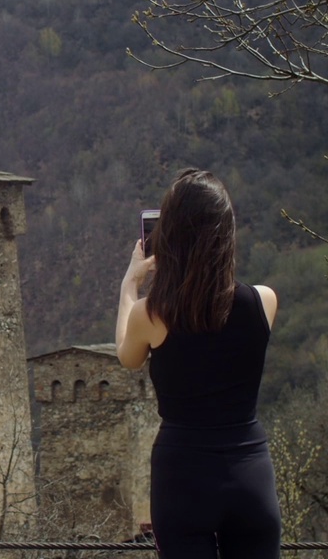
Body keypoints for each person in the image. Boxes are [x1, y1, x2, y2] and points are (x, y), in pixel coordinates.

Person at [115, 168, 282, 559]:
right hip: (250, 471)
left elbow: (127, 355)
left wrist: (129, 284)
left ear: (169, 237)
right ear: (226, 234)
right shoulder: (264, 302)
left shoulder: (150, 315)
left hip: (182, 475)